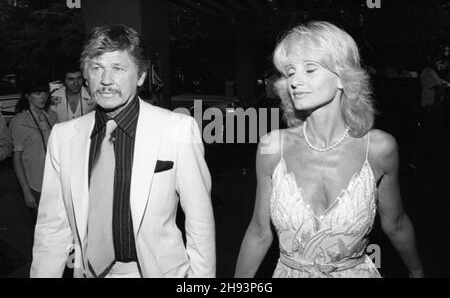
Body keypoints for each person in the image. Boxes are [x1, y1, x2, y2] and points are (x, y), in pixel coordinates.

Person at [235, 21, 424, 278]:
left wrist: (417, 271)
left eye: (310, 69)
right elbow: (258, 231)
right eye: (290, 72)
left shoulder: (379, 148)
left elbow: (397, 223)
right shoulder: (272, 146)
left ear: (342, 78)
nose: (295, 81)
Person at [30, 24, 215, 278]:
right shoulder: (63, 137)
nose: (106, 80)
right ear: (86, 75)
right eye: (96, 68)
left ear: (140, 75)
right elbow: (52, 227)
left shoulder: (177, 129)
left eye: (118, 68)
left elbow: (200, 222)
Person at [9, 76, 57, 220]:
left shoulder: (52, 116)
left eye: (45, 93)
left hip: (55, 182)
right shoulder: (19, 121)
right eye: (37, 93)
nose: (43, 97)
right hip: (34, 184)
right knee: (42, 229)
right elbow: (16, 158)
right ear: (28, 96)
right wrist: (26, 190)